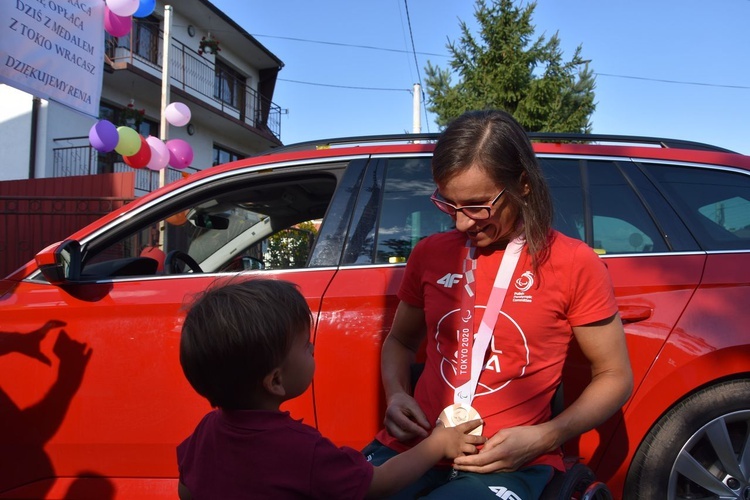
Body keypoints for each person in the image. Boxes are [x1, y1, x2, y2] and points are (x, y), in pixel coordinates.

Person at [363, 109, 634, 499]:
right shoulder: (430, 253)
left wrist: (544, 437)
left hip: (510, 464)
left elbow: (614, 375)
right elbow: (401, 342)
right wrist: (396, 394)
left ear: (522, 184)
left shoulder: (573, 262)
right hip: (414, 446)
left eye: (476, 206)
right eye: (449, 204)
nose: (460, 223)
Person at [176, 278, 487, 499]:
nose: (312, 349)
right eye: (304, 346)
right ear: (276, 381)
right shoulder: (302, 450)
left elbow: (187, 488)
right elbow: (378, 485)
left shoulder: (206, 431)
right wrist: (437, 444)